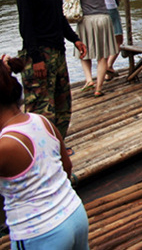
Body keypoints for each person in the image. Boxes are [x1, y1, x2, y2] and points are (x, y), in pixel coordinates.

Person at [0, 54, 89, 249]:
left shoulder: (6, 145)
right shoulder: (40, 120)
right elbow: (67, 166)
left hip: (40, 232)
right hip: (74, 212)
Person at [16, 0, 87, 139]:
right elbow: (26, 27)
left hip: (58, 52)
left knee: (62, 104)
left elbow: (59, 18)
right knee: (40, 108)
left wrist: (75, 39)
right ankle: (38, 150)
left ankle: (58, 146)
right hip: (38, 54)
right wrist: (36, 58)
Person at [66, 0, 127, 98]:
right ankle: (99, 88)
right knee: (103, 55)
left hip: (85, 20)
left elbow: (68, 0)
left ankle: (88, 80)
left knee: (84, 51)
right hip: (103, 19)